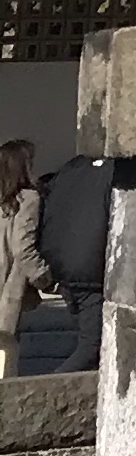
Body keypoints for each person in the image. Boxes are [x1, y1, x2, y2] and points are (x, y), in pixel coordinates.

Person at [0, 141, 41, 360]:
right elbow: (23, 246)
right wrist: (43, 276)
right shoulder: (28, 200)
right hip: (9, 285)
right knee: (6, 355)